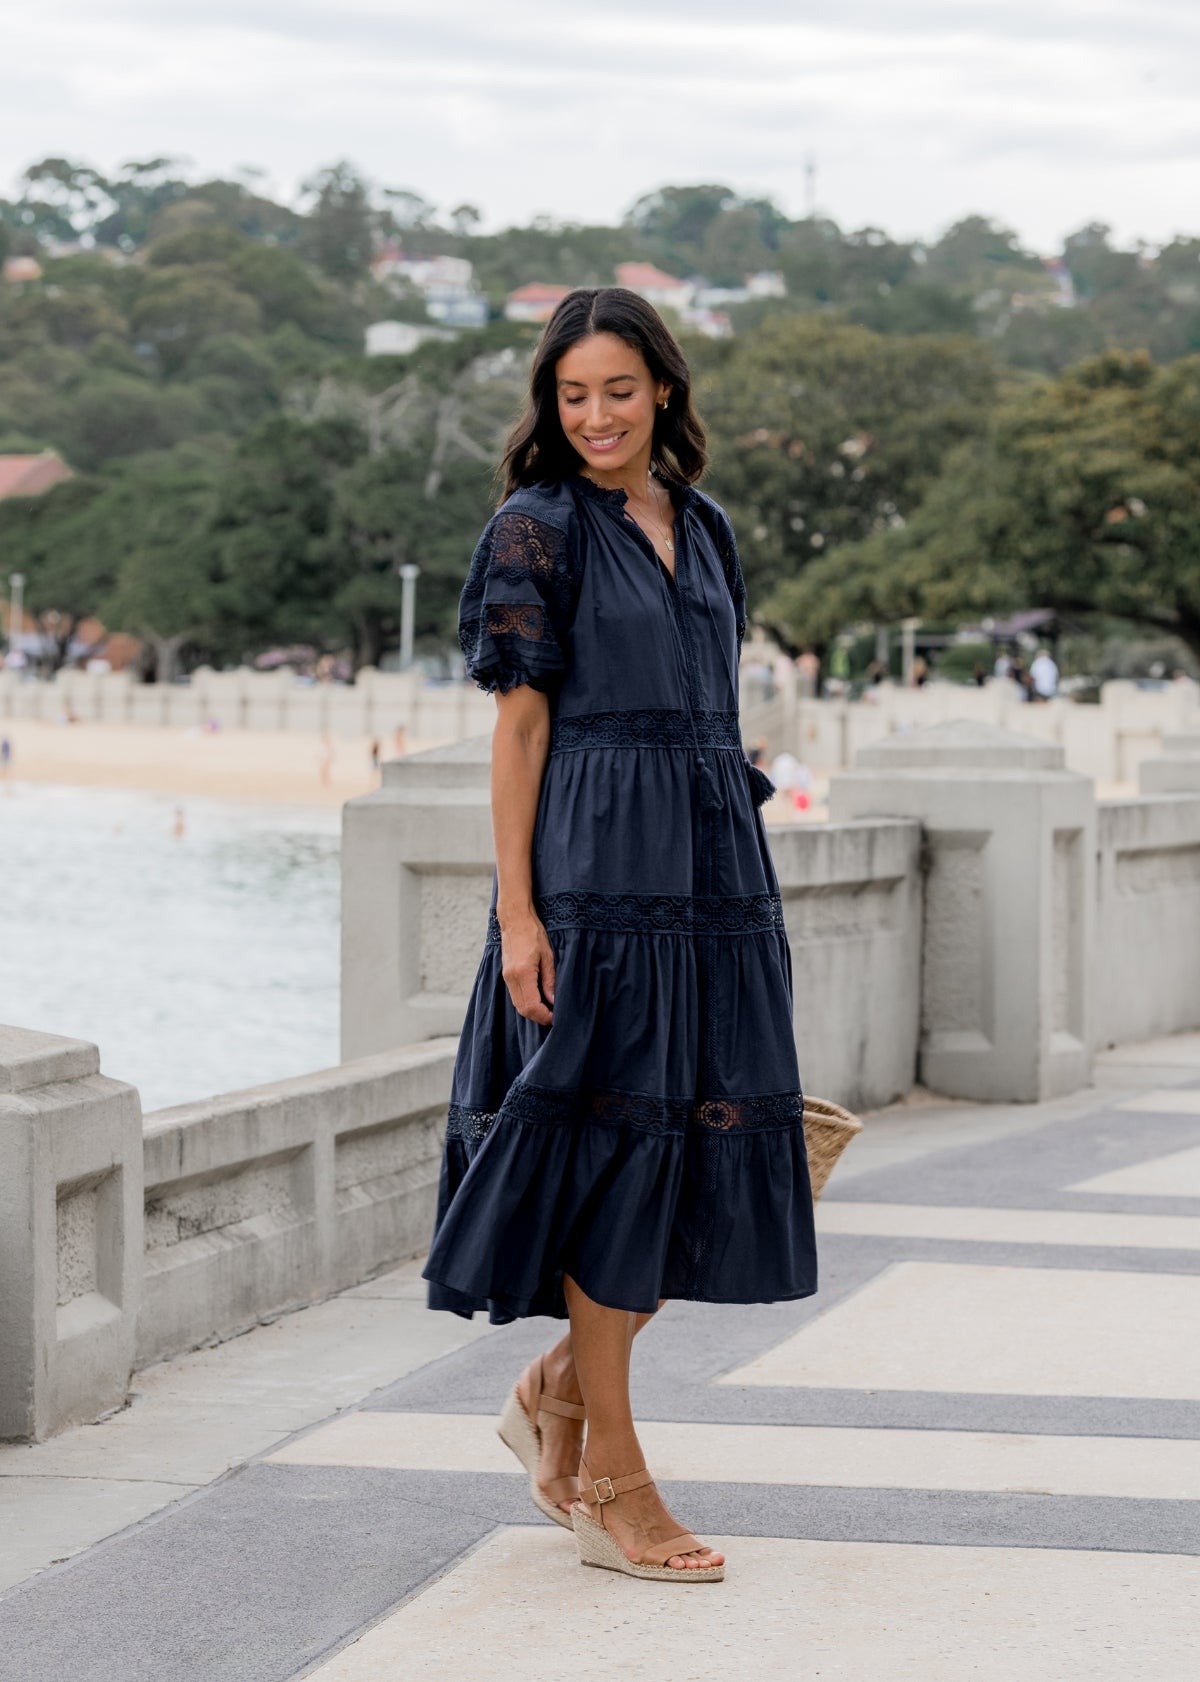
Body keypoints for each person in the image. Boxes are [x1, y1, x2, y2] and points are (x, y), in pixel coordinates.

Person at [423, 288, 816, 1584]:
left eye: (618, 390)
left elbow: (711, 705)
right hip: (596, 885)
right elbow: (521, 731)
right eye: (571, 394)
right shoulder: (536, 530)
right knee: (617, 1157)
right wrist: (519, 912)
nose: (594, 415)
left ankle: (553, 1387)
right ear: (552, 404)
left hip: (712, 882)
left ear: (663, 390)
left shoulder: (705, 529)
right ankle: (611, 1477)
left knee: (713, 1154)